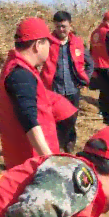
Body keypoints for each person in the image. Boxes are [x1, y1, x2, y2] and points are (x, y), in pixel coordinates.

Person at [0, 18, 77, 172]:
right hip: (33, 163)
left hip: (30, 161)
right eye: (48, 43)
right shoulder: (21, 75)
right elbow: (29, 121)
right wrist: (50, 162)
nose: (50, 48)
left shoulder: (18, 70)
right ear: (38, 45)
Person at [42, 10, 94, 154]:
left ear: (70, 25)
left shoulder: (77, 43)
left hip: (73, 89)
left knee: (72, 120)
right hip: (54, 90)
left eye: (64, 26)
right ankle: (55, 147)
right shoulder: (47, 43)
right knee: (55, 121)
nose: (61, 30)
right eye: (58, 26)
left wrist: (84, 80)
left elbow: (90, 63)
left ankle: (69, 145)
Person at [88, 11, 109, 126]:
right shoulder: (108, 33)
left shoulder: (94, 33)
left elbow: (91, 50)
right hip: (107, 66)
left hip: (97, 66)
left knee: (103, 92)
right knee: (108, 92)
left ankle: (104, 112)